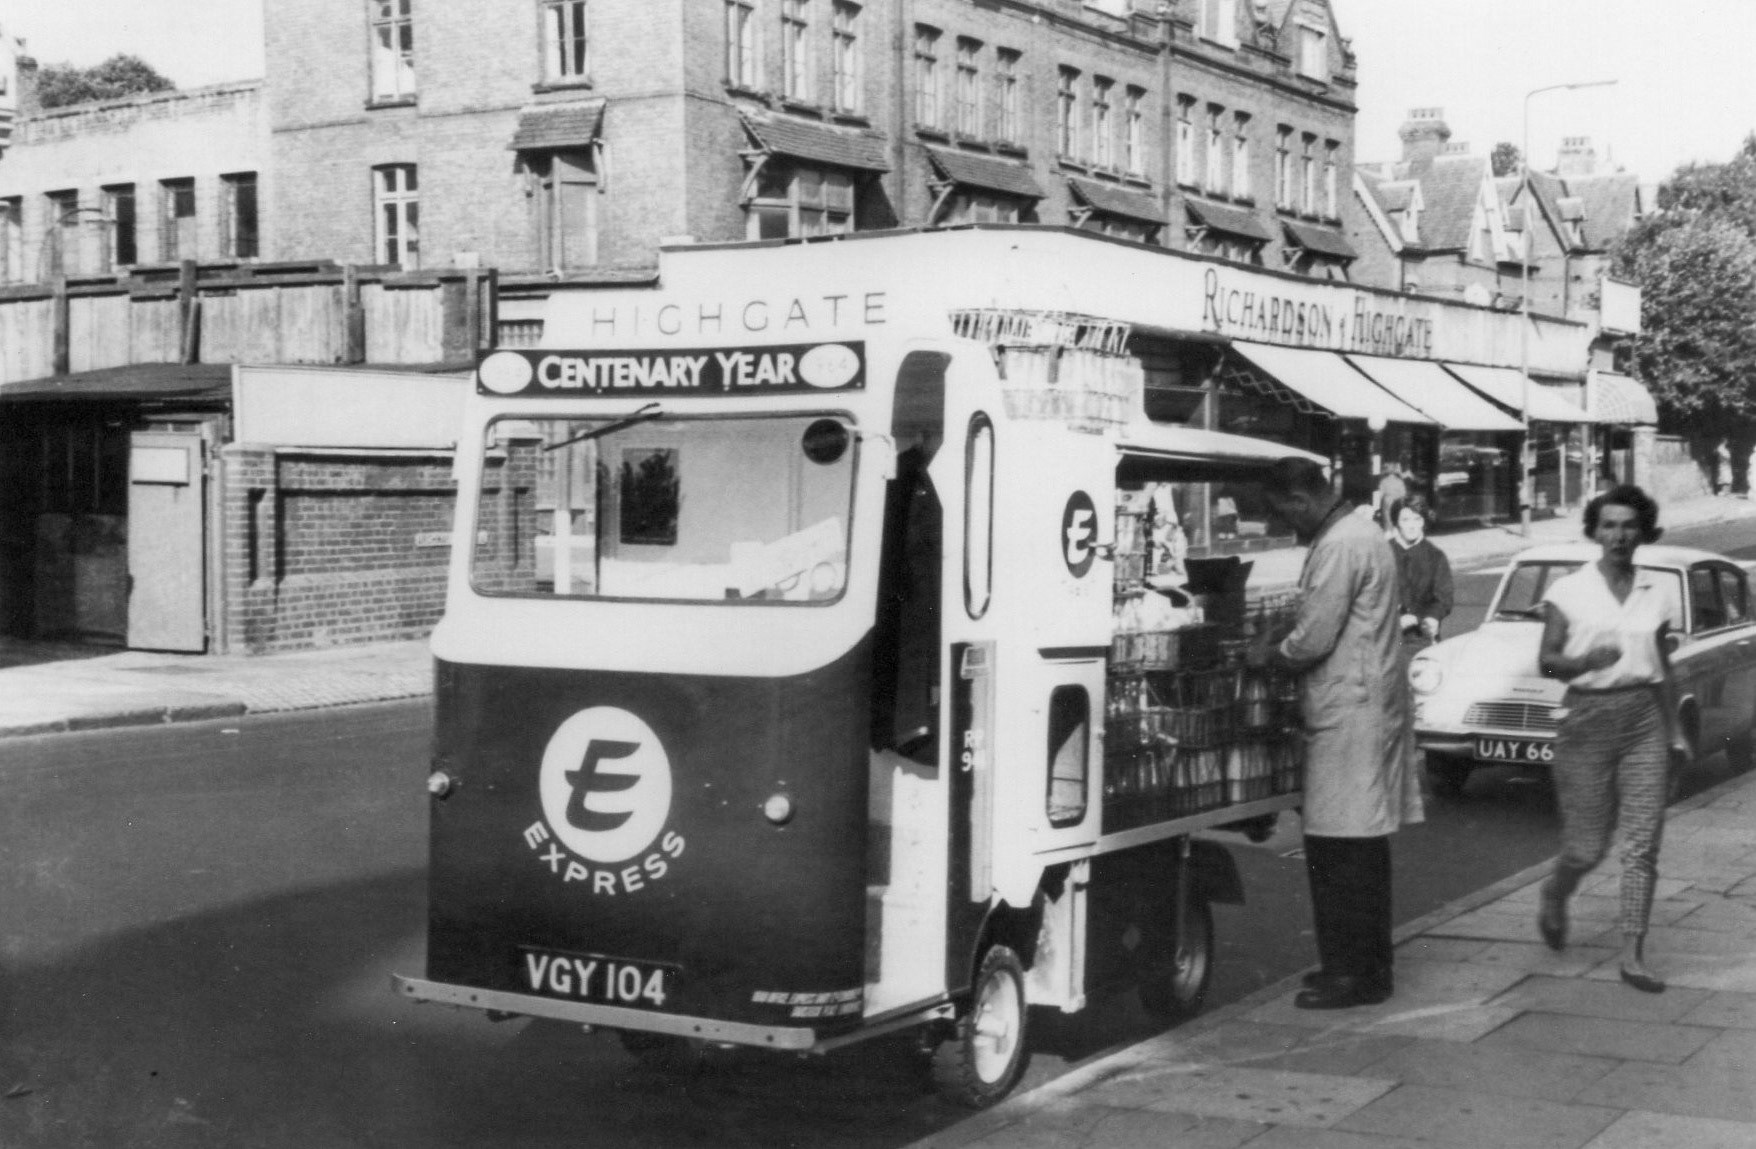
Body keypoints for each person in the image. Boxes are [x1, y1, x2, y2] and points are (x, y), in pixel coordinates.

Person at [1247, 457, 1424, 1010]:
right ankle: (1362, 968)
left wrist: (1269, 654)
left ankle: (1352, 974)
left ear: (1301, 500)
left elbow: (1315, 638)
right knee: (1356, 849)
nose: (1285, 526)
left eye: (1283, 514)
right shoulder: (1358, 533)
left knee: (1339, 850)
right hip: (1361, 705)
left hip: (1350, 711)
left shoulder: (1341, 543)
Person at [1535, 484, 1687, 994]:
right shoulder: (1569, 591)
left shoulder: (1657, 590)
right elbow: (1548, 660)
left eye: (1628, 525)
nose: (1618, 535)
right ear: (1594, 532)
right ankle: (1556, 894)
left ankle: (1633, 955)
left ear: (1642, 531)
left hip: (1644, 716)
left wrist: (1675, 731)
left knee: (1642, 844)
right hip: (1587, 721)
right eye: (1609, 525)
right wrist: (1585, 662)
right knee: (1586, 847)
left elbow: (1664, 667)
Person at [1389, 495, 1453, 649]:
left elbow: (1443, 598)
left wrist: (1431, 618)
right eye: (1405, 520)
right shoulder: (1384, 553)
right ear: (1397, 523)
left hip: (1422, 637)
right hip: (1389, 637)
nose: (1412, 526)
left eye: (1417, 519)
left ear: (1423, 521)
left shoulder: (1435, 556)